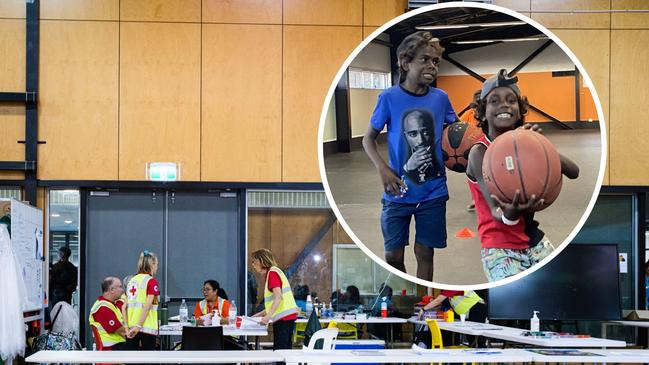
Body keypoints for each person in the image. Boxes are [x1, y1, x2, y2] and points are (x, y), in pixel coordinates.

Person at [362, 31, 458, 281]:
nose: (431, 66)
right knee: (393, 256)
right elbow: (368, 138)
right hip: (398, 190)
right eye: (424, 59)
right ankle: (404, 291)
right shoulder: (389, 98)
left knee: (425, 251)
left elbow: (457, 134)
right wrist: (383, 169)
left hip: (433, 191)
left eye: (435, 62)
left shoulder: (441, 98)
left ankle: (422, 301)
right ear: (406, 63)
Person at [466, 69, 579, 282]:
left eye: (511, 100)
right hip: (500, 248)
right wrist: (512, 213)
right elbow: (496, 211)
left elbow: (574, 171)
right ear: (481, 112)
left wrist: (542, 146)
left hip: (532, 239)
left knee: (564, 287)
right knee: (518, 307)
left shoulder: (527, 143)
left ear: (520, 111)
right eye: (494, 101)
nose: (504, 105)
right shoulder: (479, 153)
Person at [251, 248, 298, 351]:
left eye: (254, 262)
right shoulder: (273, 272)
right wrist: (261, 314)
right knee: (284, 350)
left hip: (284, 319)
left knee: (280, 351)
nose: (253, 265)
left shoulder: (272, 273)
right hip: (286, 317)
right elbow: (273, 301)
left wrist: (268, 316)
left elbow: (278, 297)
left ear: (261, 261)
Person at [125, 250, 160, 350]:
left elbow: (125, 307)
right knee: (148, 360)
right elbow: (147, 306)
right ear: (152, 264)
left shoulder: (131, 281)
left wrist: (127, 327)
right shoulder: (151, 281)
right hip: (146, 327)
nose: (157, 267)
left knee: (131, 360)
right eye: (156, 264)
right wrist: (139, 326)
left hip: (132, 327)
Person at [88, 277, 128, 350]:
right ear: (112, 290)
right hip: (110, 349)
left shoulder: (111, 304)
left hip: (117, 346)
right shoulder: (102, 308)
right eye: (120, 287)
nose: (122, 290)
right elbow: (121, 331)